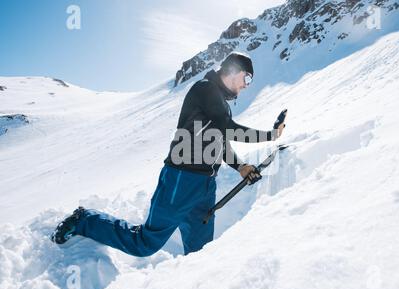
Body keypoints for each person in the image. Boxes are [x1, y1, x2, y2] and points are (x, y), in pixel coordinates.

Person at [51, 52, 286, 257]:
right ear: (234, 71)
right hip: (181, 180)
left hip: (205, 187)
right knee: (144, 243)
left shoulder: (222, 103)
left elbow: (222, 142)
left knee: (200, 253)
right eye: (247, 78)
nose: (247, 84)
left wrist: (241, 167)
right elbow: (230, 128)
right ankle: (85, 220)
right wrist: (270, 136)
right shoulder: (204, 89)